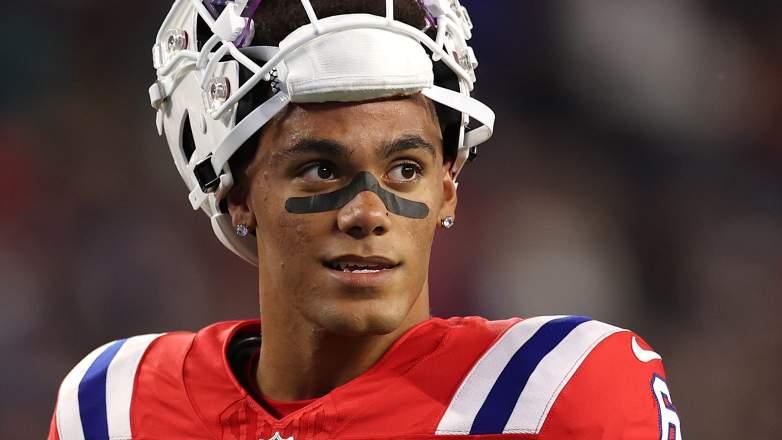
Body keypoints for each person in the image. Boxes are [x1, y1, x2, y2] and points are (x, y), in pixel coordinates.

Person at [48, 1, 682, 439]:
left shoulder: (555, 391)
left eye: (406, 168)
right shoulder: (113, 407)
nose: (368, 213)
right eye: (321, 169)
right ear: (236, 192)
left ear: (449, 186)